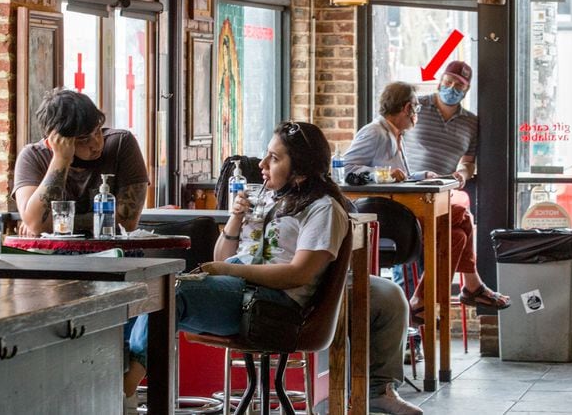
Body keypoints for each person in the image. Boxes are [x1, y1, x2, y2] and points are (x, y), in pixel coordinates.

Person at [124, 121, 422, 415]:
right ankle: (113, 381)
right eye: (267, 154)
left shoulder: (323, 208)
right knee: (135, 297)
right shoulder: (268, 198)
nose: (263, 164)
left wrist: (229, 271)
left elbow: (299, 274)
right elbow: (224, 254)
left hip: (272, 306)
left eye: (275, 158)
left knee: (172, 293)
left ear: (301, 169)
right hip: (244, 292)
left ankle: (125, 390)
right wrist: (235, 218)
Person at [403, 61, 511, 313]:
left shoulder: (471, 123)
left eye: (459, 85)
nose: (451, 88)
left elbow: (468, 163)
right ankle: (471, 286)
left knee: (458, 235)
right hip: (410, 194)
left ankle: (420, 305)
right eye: (448, 81)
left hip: (442, 197)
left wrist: (462, 175)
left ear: (467, 89)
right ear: (440, 80)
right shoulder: (416, 107)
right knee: (463, 218)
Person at [12, 88, 149, 236]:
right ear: (55, 141)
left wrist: (56, 222)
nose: (96, 144)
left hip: (115, 252)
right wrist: (61, 159)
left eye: (97, 131)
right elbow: (36, 225)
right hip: (53, 255)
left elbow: (127, 223)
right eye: (83, 139)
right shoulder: (33, 156)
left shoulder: (121, 143)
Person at [343, 81, 423, 183]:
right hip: (377, 199)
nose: (416, 112)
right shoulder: (374, 132)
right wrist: (384, 174)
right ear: (407, 108)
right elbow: (345, 167)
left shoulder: (397, 133)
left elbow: (400, 176)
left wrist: (424, 175)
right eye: (416, 107)